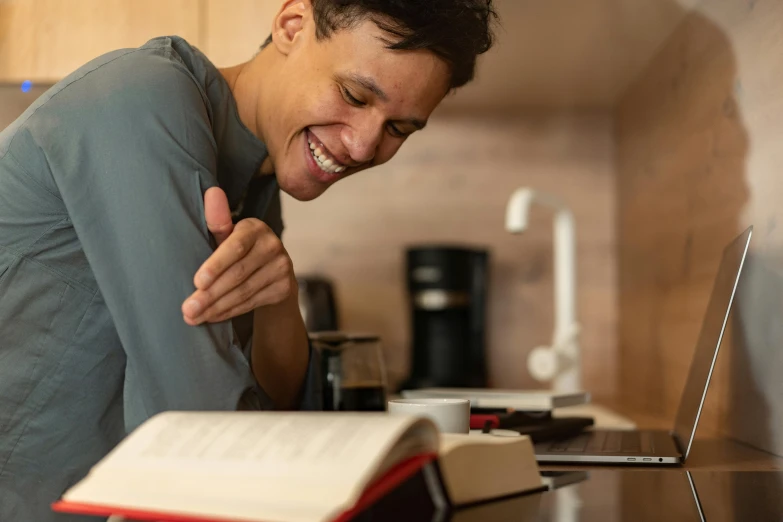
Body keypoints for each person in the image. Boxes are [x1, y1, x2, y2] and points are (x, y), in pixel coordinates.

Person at [0, 0, 497, 520]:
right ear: (291, 26)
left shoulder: (256, 188)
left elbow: (275, 407)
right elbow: (203, 430)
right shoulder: (141, 99)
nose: (363, 144)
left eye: (399, 129)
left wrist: (280, 303)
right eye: (353, 94)